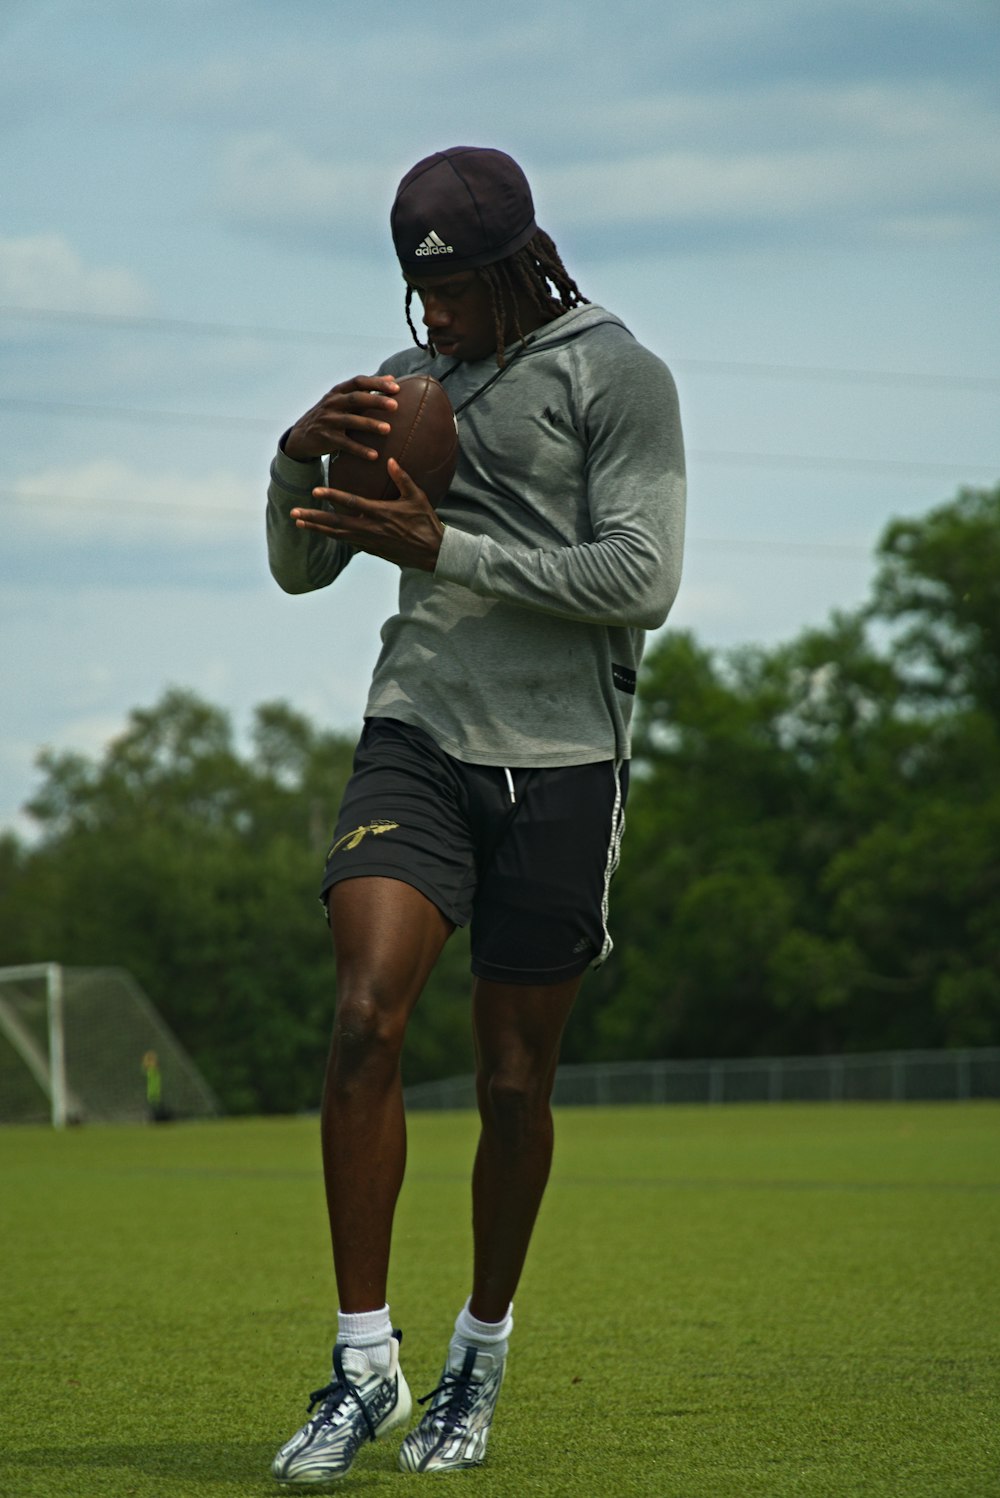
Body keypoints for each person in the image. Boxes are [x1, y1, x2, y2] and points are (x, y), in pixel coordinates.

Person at [266, 145, 685, 1483]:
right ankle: (360, 1360)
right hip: (420, 732)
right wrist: (294, 457)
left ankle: (476, 1354)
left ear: (516, 266)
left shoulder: (618, 375)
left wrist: (443, 545)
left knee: (512, 1082)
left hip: (566, 759)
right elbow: (298, 568)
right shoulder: (409, 389)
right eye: (413, 297)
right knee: (361, 1017)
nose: (430, 323)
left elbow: (644, 576)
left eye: (451, 295)